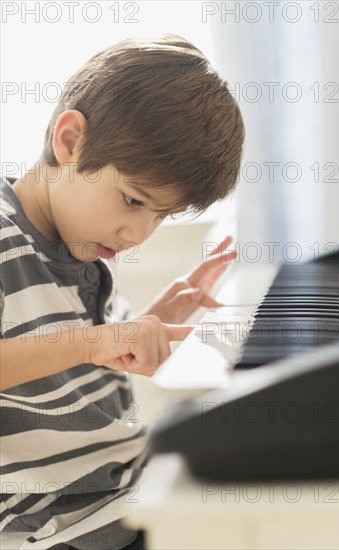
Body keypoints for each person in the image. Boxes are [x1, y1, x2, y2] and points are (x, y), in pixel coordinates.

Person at [0, 34, 245, 549]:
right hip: (56, 528)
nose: (139, 235)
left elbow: (65, 365)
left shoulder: (79, 252)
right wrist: (95, 342)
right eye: (133, 200)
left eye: (162, 215)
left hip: (122, 494)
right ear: (70, 140)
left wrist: (144, 322)